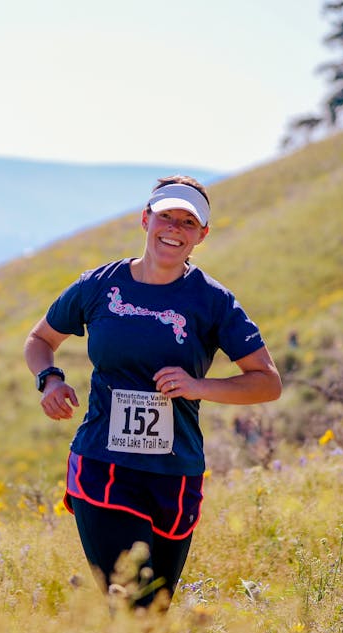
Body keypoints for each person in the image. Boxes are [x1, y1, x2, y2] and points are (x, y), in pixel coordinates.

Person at [23, 174, 282, 608]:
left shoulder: (213, 302)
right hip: (104, 466)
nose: (174, 230)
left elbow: (267, 382)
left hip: (175, 473)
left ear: (202, 235)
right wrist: (49, 379)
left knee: (154, 614)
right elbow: (40, 341)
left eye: (187, 223)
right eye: (166, 218)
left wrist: (198, 386)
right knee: (131, 607)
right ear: (146, 220)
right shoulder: (98, 286)